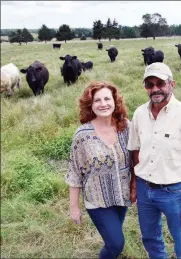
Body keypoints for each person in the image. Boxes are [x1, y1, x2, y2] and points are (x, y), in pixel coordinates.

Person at [127, 62, 181, 259]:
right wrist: (134, 184)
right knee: (150, 238)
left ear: (172, 84)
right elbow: (135, 151)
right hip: (145, 190)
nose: (155, 89)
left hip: (173, 191)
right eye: (149, 84)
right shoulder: (139, 113)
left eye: (160, 83)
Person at [65, 81, 131, 259]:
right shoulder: (82, 136)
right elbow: (74, 174)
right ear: (90, 105)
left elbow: (138, 158)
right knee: (116, 244)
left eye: (107, 99)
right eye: (97, 100)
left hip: (121, 198)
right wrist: (74, 207)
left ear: (115, 101)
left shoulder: (125, 127)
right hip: (97, 201)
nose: (103, 104)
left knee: (112, 241)